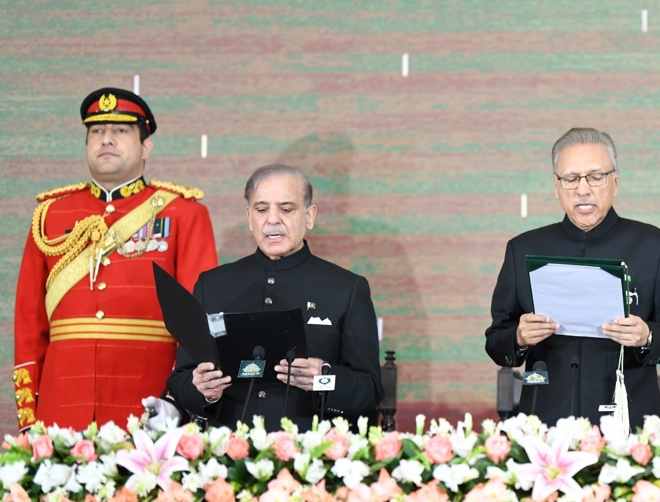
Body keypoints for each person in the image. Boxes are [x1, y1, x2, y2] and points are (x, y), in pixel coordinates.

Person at [12, 87, 217, 431]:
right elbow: (30, 325)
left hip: (150, 404)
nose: (106, 139)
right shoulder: (50, 215)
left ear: (145, 147)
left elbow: (199, 320)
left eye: (120, 131)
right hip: (61, 408)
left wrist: (179, 402)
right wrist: (30, 417)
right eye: (96, 131)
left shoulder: (183, 213)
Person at [485, 127, 660, 427]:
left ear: (616, 182)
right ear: (557, 187)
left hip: (629, 420)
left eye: (596, 177)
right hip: (543, 420)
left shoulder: (654, 246)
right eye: (570, 179)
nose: (583, 189)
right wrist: (518, 337)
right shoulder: (523, 248)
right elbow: (496, 341)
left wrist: (646, 336)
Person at [166, 164, 382, 430]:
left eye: (286, 209)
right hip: (228, 455)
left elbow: (370, 390)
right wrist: (204, 390)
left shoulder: (346, 288)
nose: (272, 220)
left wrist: (323, 378)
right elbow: (180, 381)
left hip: (310, 455)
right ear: (249, 217)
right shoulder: (212, 285)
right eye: (261, 209)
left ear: (310, 216)